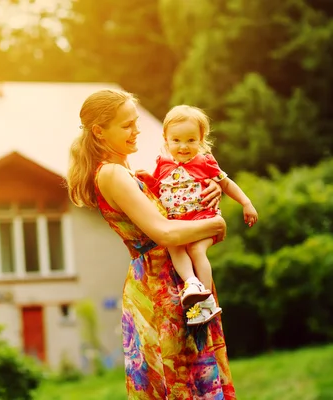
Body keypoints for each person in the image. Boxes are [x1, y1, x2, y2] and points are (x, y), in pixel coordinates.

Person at [66, 89, 236, 399]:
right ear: (99, 132)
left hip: (177, 285)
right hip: (158, 291)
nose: (137, 130)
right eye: (127, 125)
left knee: (193, 380)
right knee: (180, 383)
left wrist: (210, 183)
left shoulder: (129, 173)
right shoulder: (113, 174)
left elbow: (178, 193)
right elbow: (166, 234)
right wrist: (217, 224)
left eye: (135, 122)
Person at [136, 105, 258, 326]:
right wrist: (147, 180)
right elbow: (158, 190)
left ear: (201, 139)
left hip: (203, 219)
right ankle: (192, 283)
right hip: (178, 223)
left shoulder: (205, 162)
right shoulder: (162, 164)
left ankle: (207, 300)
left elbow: (226, 183)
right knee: (173, 245)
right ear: (166, 139)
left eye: (191, 140)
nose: (183, 146)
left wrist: (246, 202)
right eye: (177, 140)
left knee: (195, 249)